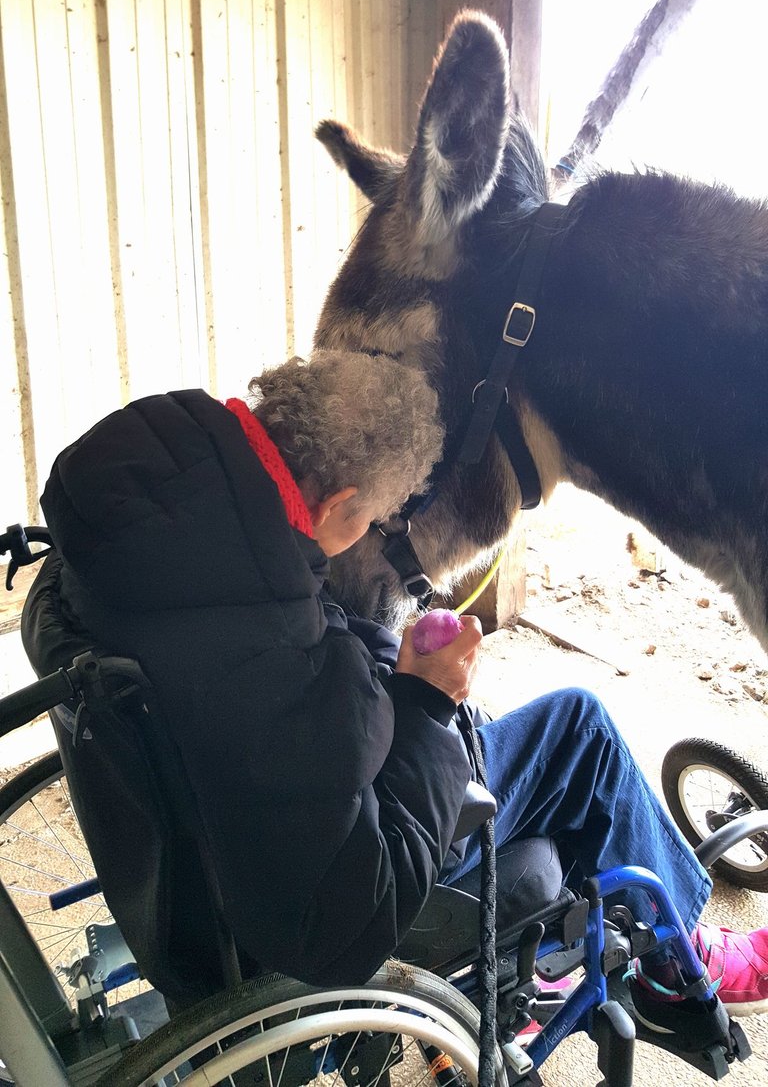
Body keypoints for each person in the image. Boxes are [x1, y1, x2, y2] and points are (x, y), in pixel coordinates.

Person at [22, 350, 768, 1043]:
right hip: (320, 894)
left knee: (504, 723)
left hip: (199, 842)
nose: (375, 534)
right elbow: (350, 917)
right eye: (377, 519)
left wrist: (381, 659)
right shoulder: (286, 669)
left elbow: (309, 642)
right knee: (581, 728)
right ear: (345, 505)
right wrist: (424, 705)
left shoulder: (161, 527)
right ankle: (681, 967)